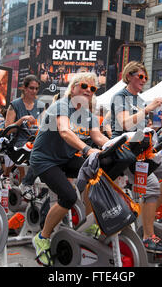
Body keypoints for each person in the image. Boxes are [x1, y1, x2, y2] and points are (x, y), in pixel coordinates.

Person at [30, 72, 108, 266]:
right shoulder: (62, 105)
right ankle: (42, 237)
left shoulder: (87, 114)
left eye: (92, 88)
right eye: (84, 86)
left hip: (64, 159)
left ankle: (90, 225)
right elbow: (64, 131)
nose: (88, 90)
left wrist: (116, 145)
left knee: (96, 172)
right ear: (73, 88)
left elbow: (98, 137)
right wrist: (87, 149)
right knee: (69, 197)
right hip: (45, 160)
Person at [110, 61, 162, 254]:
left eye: (145, 77)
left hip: (144, 149)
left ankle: (145, 217)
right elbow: (124, 124)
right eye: (140, 76)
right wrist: (148, 109)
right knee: (150, 185)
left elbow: (144, 128)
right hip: (125, 150)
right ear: (129, 76)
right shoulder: (121, 97)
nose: (144, 80)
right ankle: (147, 236)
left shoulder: (140, 100)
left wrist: (156, 126)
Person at [4, 75, 44, 195]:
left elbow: (45, 125)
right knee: (37, 155)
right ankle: (26, 183)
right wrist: (22, 120)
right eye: (31, 88)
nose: (34, 91)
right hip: (19, 142)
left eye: (36, 88)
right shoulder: (15, 104)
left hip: (35, 141)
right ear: (25, 89)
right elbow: (8, 129)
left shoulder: (40, 105)